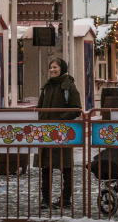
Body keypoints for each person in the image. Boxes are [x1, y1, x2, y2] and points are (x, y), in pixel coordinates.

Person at [37, 57, 81, 210]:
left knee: (66, 167)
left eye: (55, 67)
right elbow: (40, 107)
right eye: (51, 68)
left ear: (61, 68)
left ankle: (66, 199)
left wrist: (60, 120)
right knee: (46, 168)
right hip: (47, 132)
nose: (52, 70)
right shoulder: (47, 87)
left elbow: (76, 108)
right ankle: (45, 199)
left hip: (63, 132)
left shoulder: (68, 86)